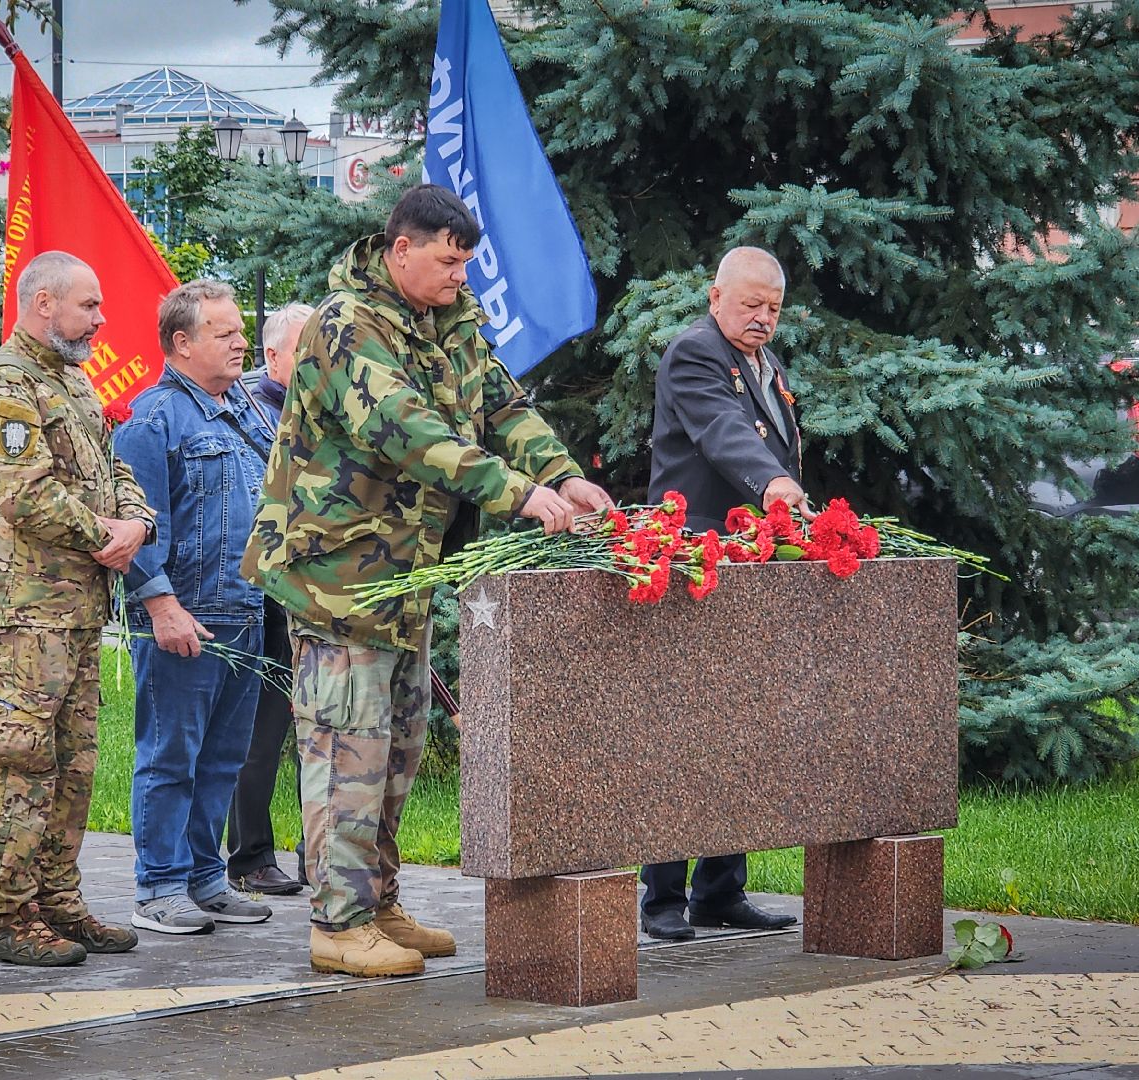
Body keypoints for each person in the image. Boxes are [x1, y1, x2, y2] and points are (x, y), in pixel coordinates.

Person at [243, 184, 614, 978]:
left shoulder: (450, 320)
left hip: (403, 577)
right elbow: (404, 430)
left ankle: (375, 902)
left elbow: (502, 406)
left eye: (466, 263)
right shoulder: (346, 325)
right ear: (400, 249)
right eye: (448, 261)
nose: (459, 277)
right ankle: (337, 925)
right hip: (338, 575)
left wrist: (561, 473)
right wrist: (515, 492)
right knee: (349, 748)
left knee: (396, 750)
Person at [0, 250, 155, 966]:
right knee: (17, 764)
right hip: (26, 615)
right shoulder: (8, 384)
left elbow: (114, 467)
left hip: (75, 611)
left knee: (71, 767)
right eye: (89, 305)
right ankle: (7, 918)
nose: (102, 320)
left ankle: (58, 903)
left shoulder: (70, 381)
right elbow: (25, 495)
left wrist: (136, 522)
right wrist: (105, 534)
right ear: (44, 303)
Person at [639, 245, 806, 942]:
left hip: (747, 558)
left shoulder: (766, 365)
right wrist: (772, 484)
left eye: (773, 307)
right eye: (750, 304)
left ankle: (721, 889)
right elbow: (724, 432)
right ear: (715, 297)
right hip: (692, 556)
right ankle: (662, 898)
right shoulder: (695, 353)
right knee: (682, 730)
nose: (763, 318)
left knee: (738, 725)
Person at [114, 280, 278, 935]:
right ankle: (157, 889)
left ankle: (206, 878)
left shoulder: (244, 412)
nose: (241, 341)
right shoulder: (154, 419)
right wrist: (161, 606)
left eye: (240, 330)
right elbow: (134, 525)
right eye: (224, 332)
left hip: (245, 613)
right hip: (185, 618)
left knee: (223, 760)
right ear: (181, 343)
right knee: (170, 757)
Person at [227, 302, 316, 897]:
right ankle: (251, 856)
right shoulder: (255, 412)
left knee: (324, 732)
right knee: (259, 736)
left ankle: (323, 855)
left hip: (318, 596)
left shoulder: (326, 408)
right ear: (274, 356)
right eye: (306, 348)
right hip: (265, 600)